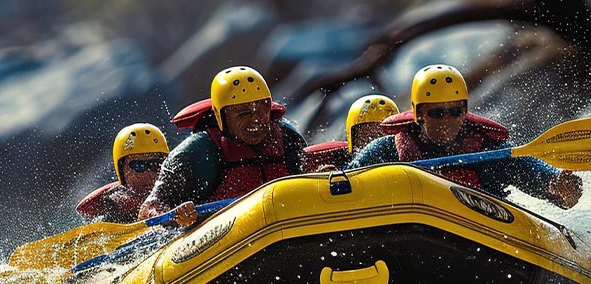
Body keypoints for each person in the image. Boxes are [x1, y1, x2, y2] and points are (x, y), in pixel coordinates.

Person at [346, 64, 582, 208]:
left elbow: (536, 174)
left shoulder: (487, 151)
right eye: (437, 113)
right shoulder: (386, 150)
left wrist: (559, 185)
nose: (447, 121)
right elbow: (346, 181)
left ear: (465, 112)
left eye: (455, 112)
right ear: (419, 114)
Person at [137, 66, 307, 228]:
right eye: (243, 113)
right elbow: (149, 209)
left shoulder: (287, 138)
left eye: (262, 110)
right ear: (221, 116)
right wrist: (175, 216)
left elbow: (305, 177)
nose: (256, 119)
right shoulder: (194, 153)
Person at [75, 123, 170, 223]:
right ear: (122, 170)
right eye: (139, 166)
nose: (149, 174)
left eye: (156, 164)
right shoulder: (113, 202)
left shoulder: (177, 187)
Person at [304, 94, 399, 172]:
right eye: (366, 136)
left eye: (380, 135)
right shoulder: (345, 167)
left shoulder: (406, 159)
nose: (373, 142)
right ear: (353, 140)